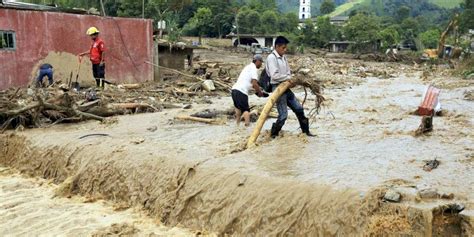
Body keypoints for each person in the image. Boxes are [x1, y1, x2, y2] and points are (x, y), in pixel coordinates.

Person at [266, 36, 315, 138]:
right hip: (278, 88)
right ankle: (273, 135)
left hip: (286, 87)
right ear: (277, 47)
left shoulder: (283, 58)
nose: (285, 50)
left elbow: (288, 72)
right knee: (283, 115)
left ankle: (306, 133)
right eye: (283, 48)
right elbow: (274, 76)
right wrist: (288, 79)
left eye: (285, 47)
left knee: (299, 108)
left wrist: (290, 80)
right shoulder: (271, 58)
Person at [231, 54, 267, 126]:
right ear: (257, 61)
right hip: (241, 91)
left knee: (238, 111)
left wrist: (257, 90)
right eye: (261, 62)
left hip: (234, 90)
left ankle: (237, 126)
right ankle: (247, 128)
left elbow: (249, 83)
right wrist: (260, 93)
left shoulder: (247, 67)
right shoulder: (253, 69)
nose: (261, 64)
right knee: (246, 110)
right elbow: (254, 84)